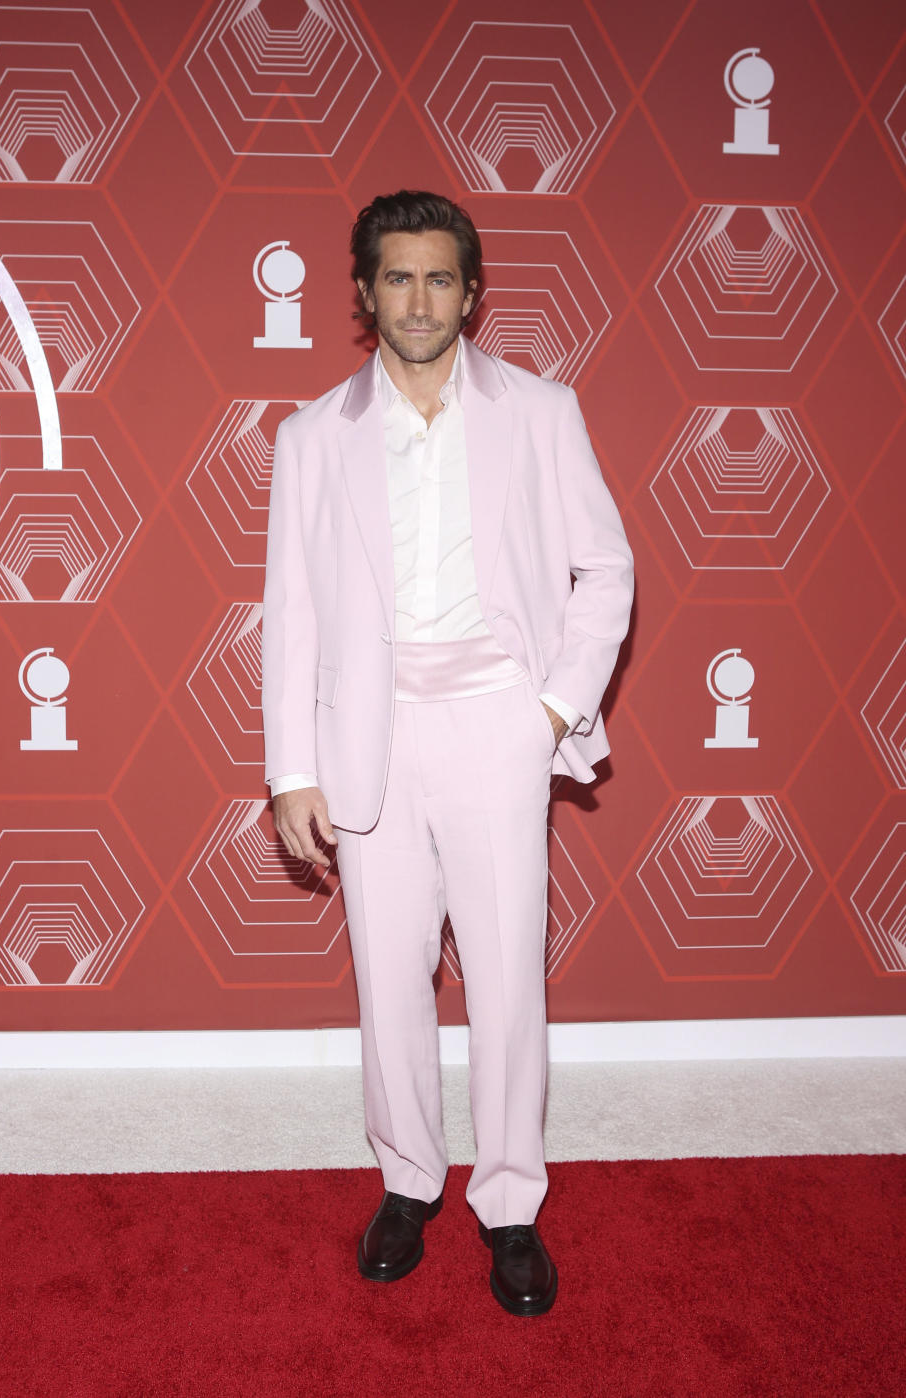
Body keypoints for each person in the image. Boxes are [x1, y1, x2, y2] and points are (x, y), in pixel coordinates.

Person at [261, 190, 633, 1316]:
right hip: (369, 735)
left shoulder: (539, 411)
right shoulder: (313, 436)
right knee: (389, 977)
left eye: (438, 278)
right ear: (365, 295)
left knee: (509, 973)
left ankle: (512, 1201)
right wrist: (292, 770)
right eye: (396, 277)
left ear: (471, 294)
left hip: (496, 724)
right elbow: (292, 612)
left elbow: (604, 572)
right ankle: (409, 1181)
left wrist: (550, 712)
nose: (417, 298)